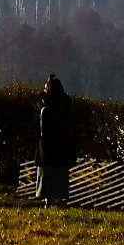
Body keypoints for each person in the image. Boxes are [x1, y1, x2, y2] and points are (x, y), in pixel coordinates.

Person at [36, 73, 75, 206]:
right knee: (60, 173)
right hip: (62, 145)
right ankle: (59, 198)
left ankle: (47, 198)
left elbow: (41, 125)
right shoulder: (65, 104)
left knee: (46, 174)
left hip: (47, 145)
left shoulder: (45, 106)